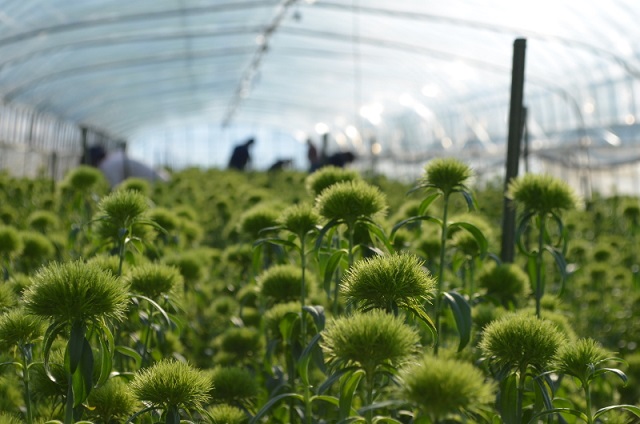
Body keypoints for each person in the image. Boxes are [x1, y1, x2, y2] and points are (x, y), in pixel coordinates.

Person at [87, 145, 169, 188]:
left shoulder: (108, 165)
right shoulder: (113, 158)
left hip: (157, 184)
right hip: (160, 177)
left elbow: (116, 188)